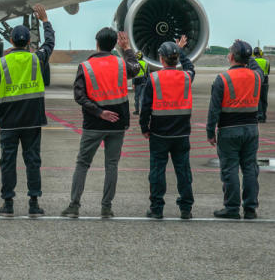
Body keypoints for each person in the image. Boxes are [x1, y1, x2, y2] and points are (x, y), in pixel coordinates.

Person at [61, 27, 140, 219]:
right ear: (114, 44)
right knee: (111, 165)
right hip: (117, 123)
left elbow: (79, 96)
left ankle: (74, 205)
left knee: (82, 164)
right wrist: (128, 48)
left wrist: (99, 112)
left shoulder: (86, 67)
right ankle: (106, 207)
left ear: (97, 43)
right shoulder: (122, 65)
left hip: (94, 123)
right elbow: (136, 69)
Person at [0, 5, 55, 217]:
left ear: (11, 41)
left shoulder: (1, 63)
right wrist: (45, 20)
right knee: (33, 161)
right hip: (32, 120)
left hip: (9, 121)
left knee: (7, 162)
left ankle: (8, 202)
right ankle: (34, 202)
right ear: (28, 42)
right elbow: (50, 44)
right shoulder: (37, 58)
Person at [206, 39, 266, 219]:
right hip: (251, 129)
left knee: (230, 169)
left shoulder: (222, 79)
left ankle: (232, 208)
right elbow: (257, 68)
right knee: (250, 168)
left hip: (229, 130)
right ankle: (250, 208)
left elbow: (214, 109)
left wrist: (210, 132)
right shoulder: (257, 76)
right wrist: (248, 54)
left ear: (231, 56)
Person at [139, 37, 196, 219]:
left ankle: (157, 208)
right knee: (183, 171)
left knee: (157, 171)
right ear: (177, 58)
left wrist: (144, 127)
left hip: (159, 133)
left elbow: (145, 107)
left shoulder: (154, 79)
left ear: (161, 59)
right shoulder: (186, 77)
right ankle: (186, 209)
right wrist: (181, 50)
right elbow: (190, 68)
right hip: (181, 133)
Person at [252, 47, 270, 123]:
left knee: (257, 99)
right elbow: (268, 72)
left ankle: (260, 115)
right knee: (264, 99)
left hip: (256, 80)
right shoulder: (266, 61)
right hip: (265, 80)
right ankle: (264, 116)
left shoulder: (253, 61)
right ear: (261, 53)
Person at [132, 51, 148, 116]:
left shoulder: (135, 64)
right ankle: (142, 111)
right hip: (144, 82)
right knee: (142, 97)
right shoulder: (145, 63)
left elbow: (134, 75)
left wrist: (133, 83)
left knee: (136, 97)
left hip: (137, 83)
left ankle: (137, 111)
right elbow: (147, 74)